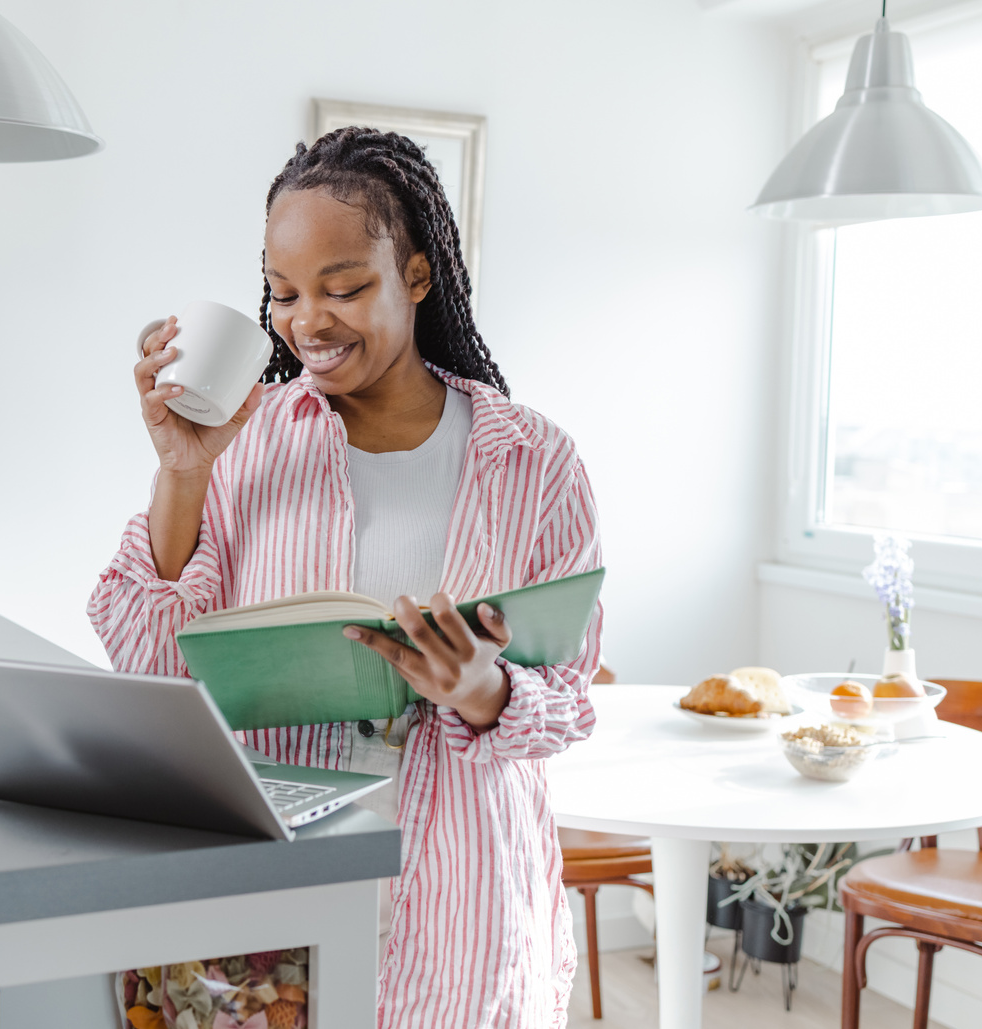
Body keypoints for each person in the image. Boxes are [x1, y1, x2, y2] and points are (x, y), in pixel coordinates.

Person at [90, 127, 603, 1028]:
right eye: (283, 294)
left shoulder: (533, 460)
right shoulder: (245, 438)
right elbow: (148, 660)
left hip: (464, 891)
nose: (307, 323)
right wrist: (183, 470)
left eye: (345, 287)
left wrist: (483, 691)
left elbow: (571, 699)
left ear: (415, 274)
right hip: (276, 875)